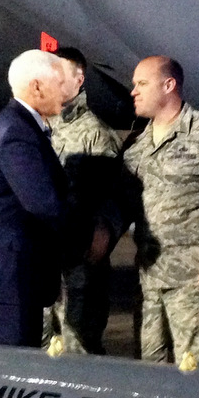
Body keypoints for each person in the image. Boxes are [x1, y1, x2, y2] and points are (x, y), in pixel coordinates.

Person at [123, 55, 199, 369]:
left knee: (196, 371)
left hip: (196, 282)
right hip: (149, 281)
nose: (133, 91)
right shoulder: (137, 148)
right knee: (148, 369)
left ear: (169, 85)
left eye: (142, 84)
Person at [0, 49, 72, 347]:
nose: (66, 89)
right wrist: (90, 236)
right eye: (59, 82)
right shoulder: (16, 132)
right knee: (5, 374)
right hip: (4, 283)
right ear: (36, 86)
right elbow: (42, 202)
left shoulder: (20, 124)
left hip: (8, 281)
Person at [44, 46, 123, 355]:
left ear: (78, 81)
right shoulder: (39, 127)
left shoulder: (96, 134)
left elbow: (115, 196)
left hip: (80, 270)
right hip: (43, 265)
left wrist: (106, 229)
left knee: (80, 353)